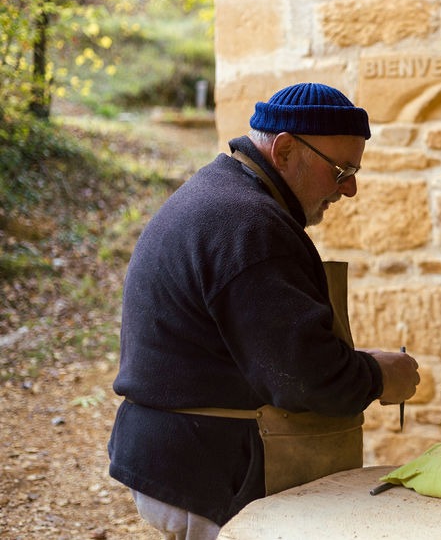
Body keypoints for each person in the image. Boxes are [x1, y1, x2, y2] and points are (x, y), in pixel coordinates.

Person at [108, 82, 420, 539]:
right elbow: (304, 379)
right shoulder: (249, 225)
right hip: (209, 470)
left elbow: (263, 348)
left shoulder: (227, 197)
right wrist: (379, 377)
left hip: (185, 453)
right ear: (286, 150)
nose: (350, 189)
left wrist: (356, 363)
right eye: (341, 171)